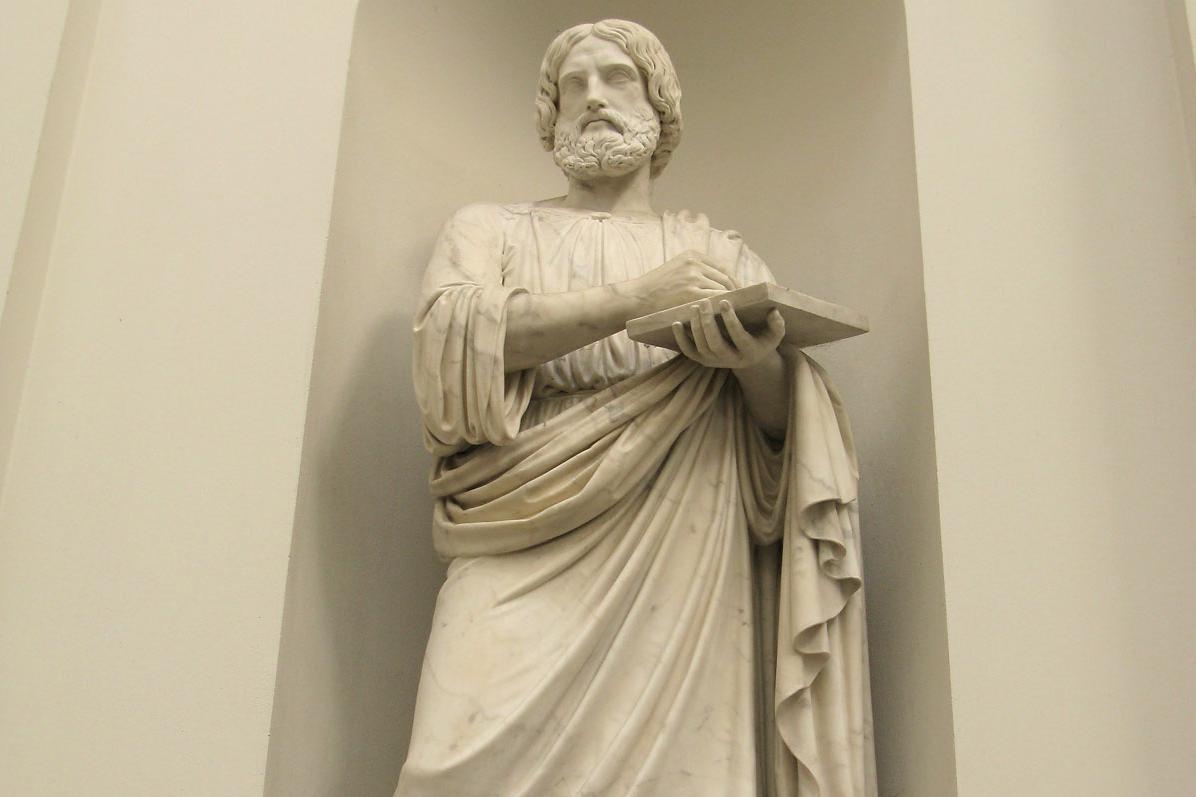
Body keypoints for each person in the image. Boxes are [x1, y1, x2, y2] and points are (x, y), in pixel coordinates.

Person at [396, 19, 876, 797]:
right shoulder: (490, 228)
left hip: (682, 553)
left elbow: (786, 434)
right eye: (573, 86)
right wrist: (634, 300)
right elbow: (450, 343)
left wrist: (753, 363)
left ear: (659, 109)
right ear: (550, 120)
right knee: (448, 769)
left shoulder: (718, 254)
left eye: (616, 78)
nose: (592, 98)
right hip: (519, 527)